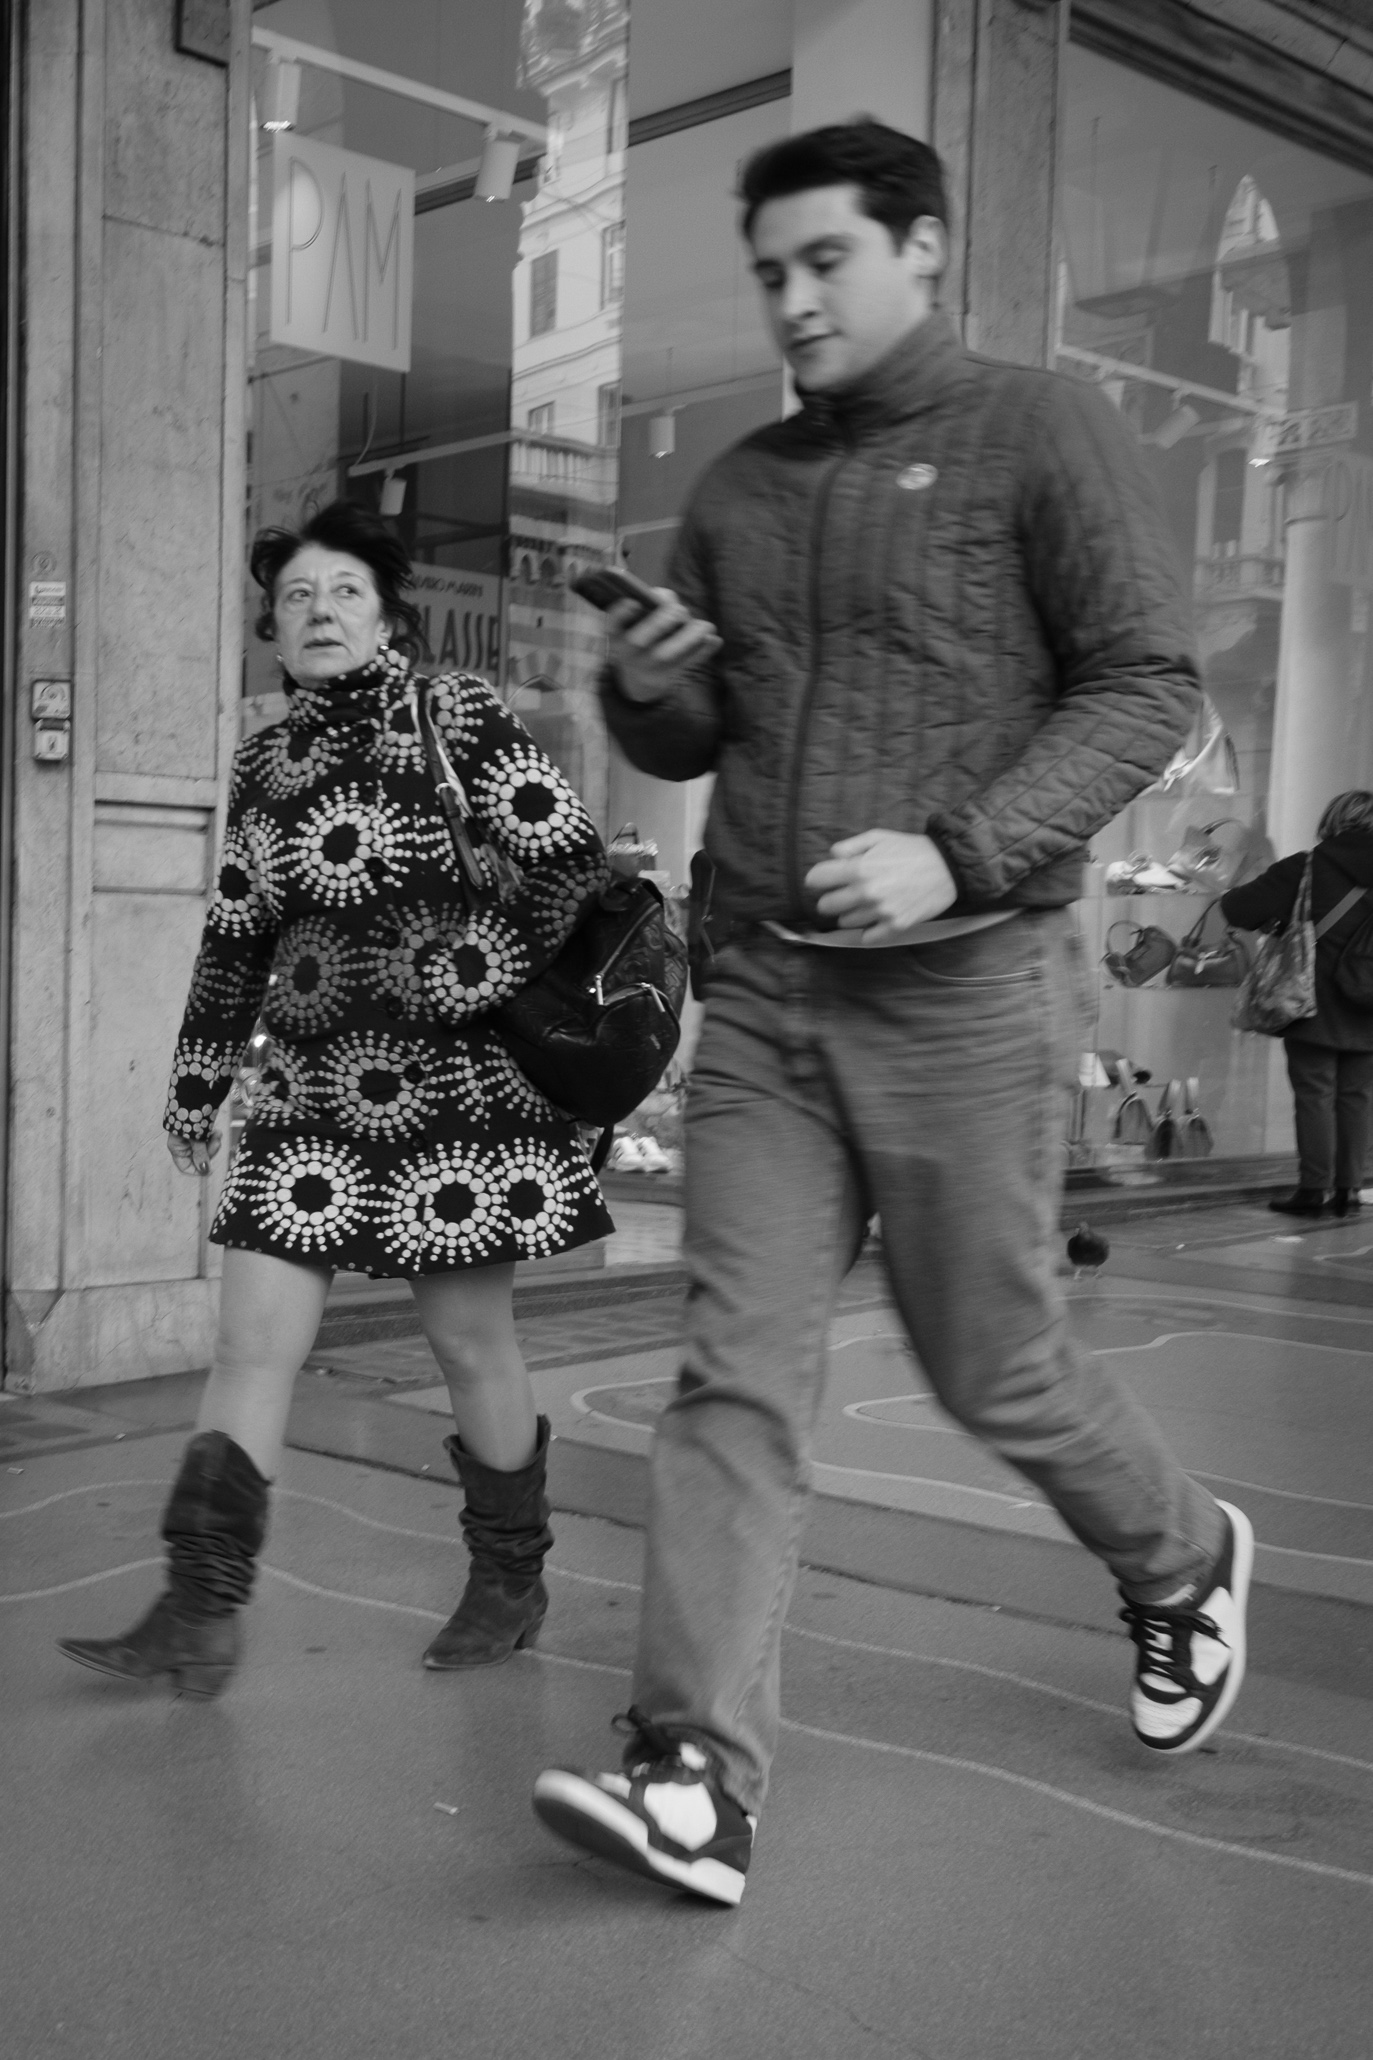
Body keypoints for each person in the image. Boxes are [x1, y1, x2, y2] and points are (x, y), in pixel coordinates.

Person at [530, 120, 1252, 1907]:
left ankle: (1176, 1560)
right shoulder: (738, 486)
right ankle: (692, 1769)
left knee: (989, 1363)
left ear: (922, 249)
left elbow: (1145, 684)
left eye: (824, 262)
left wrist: (961, 854)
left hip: (964, 986)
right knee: (735, 1375)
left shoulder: (1037, 432)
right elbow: (699, 742)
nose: (790, 301)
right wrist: (646, 693)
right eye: (768, 272)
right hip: (767, 989)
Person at [59, 501, 612, 1696]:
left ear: (388, 614)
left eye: (344, 592)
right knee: (249, 1343)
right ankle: (198, 1608)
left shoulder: (453, 713)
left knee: (470, 1346)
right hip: (308, 1087)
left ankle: (508, 1577)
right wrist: (196, 1082)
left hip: (457, 1086)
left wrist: (482, 976)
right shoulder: (267, 758)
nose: (319, 612)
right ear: (272, 626)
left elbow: (570, 860)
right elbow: (236, 933)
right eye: (298, 598)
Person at [1222, 789, 1373, 1216]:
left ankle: (1313, 1192)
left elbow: (1236, 908)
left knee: (1315, 1095)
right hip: (1369, 1007)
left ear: (1335, 820)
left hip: (1310, 1002)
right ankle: (1349, 1191)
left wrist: (1282, 920)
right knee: (1358, 1097)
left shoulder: (1309, 866)